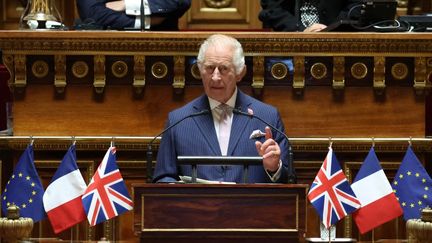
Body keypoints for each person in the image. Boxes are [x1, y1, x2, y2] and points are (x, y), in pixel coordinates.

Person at [152, 34, 292, 184]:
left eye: (224, 69)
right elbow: (163, 179)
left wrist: (274, 168)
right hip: (197, 207)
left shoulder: (267, 116)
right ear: (200, 70)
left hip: (251, 206)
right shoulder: (178, 121)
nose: (215, 77)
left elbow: (289, 180)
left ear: (240, 73)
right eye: (210, 68)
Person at [76, 0, 191, 30]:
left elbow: (181, 1)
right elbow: (91, 14)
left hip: (162, 48)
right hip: (110, 49)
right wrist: (147, 21)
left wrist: (126, 4)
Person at [259, 0, 362, 32]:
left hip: (338, 42)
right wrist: (300, 31)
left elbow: (356, 5)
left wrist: (331, 29)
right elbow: (272, 8)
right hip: (292, 42)